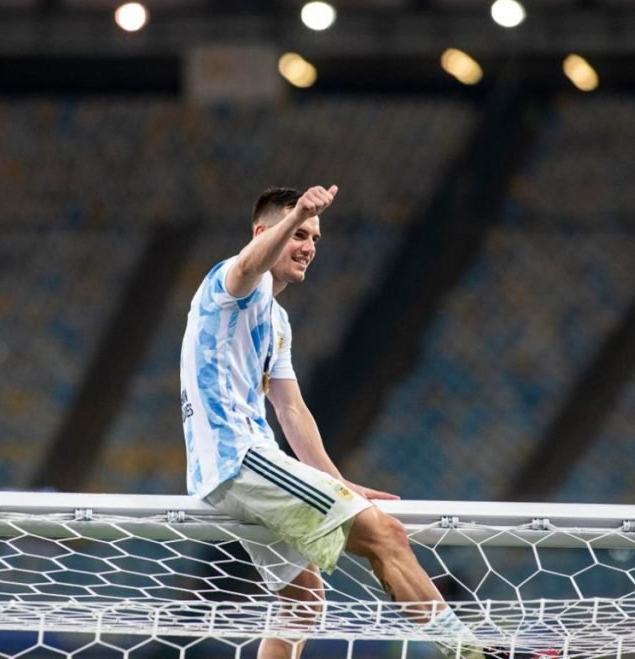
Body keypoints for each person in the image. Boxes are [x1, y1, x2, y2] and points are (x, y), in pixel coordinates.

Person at [180, 185, 472, 659]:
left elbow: (291, 410)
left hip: (246, 468)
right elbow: (249, 264)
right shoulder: (229, 286)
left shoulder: (277, 321)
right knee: (386, 535)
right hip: (242, 461)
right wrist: (295, 211)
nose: (309, 246)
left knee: (302, 603)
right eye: (298, 232)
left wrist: (339, 484)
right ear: (264, 232)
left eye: (314, 237)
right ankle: (471, 651)